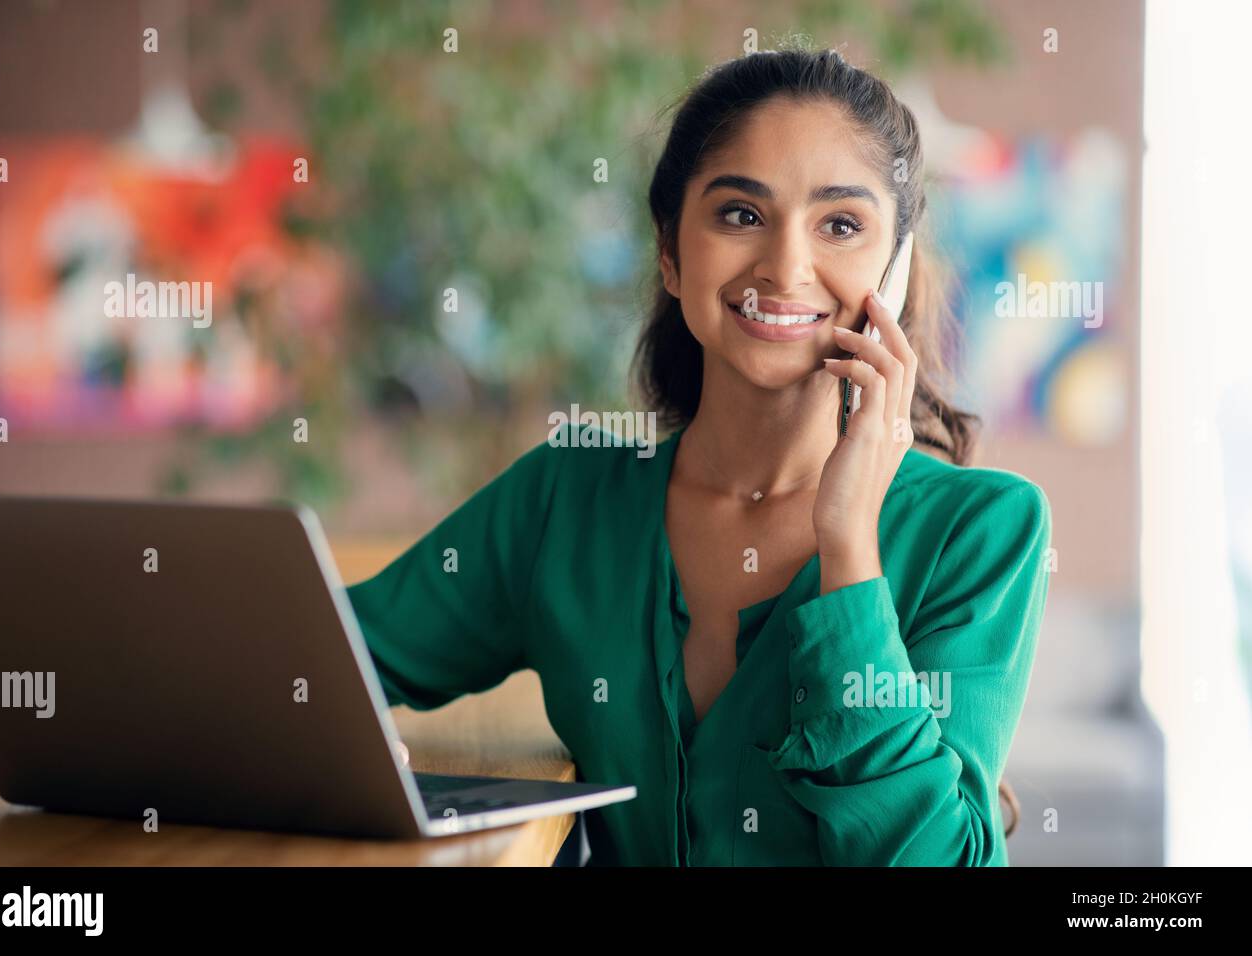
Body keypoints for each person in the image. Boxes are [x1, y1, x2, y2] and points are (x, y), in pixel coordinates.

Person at [347, 46, 1052, 866]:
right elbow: (318, 662)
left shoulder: (984, 531)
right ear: (672, 256)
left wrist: (850, 547)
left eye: (841, 225)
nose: (786, 267)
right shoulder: (565, 499)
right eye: (741, 215)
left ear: (892, 275)